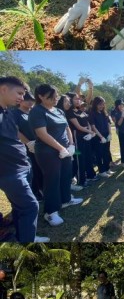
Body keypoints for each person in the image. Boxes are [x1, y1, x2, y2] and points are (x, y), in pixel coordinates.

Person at [30, 84, 79, 228]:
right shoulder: (37, 111)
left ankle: (65, 199)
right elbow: (42, 134)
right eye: (50, 98)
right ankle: (50, 212)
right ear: (40, 97)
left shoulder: (58, 111)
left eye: (56, 96)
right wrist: (61, 148)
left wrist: (71, 145)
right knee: (52, 180)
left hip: (65, 149)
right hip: (47, 152)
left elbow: (67, 128)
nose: (54, 99)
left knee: (65, 175)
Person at [0, 77, 43, 243]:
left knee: (19, 208)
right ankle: (27, 247)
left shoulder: (7, 112)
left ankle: (23, 236)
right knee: (30, 207)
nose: (21, 97)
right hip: (10, 173)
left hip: (23, 166)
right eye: (19, 93)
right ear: (3, 89)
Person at [14, 91, 44, 204]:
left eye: (32, 100)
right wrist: (28, 143)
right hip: (27, 147)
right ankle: (35, 193)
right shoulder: (15, 113)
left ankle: (42, 190)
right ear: (20, 100)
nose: (30, 102)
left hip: (39, 145)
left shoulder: (33, 112)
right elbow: (16, 131)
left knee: (40, 169)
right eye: (28, 100)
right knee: (33, 170)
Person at [89, 97, 113, 177]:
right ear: (95, 104)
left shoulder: (104, 113)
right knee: (99, 154)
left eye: (103, 104)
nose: (102, 106)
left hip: (106, 135)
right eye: (100, 104)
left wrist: (110, 134)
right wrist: (101, 137)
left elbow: (108, 124)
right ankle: (101, 171)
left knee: (106, 152)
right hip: (98, 136)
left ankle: (107, 169)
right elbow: (93, 126)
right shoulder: (92, 113)